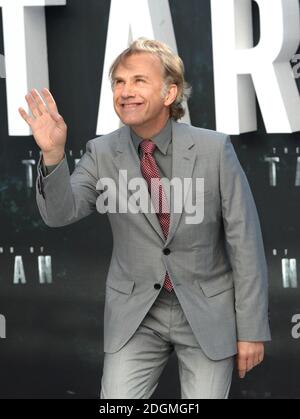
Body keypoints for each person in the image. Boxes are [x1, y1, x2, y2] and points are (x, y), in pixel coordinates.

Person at [18, 38, 271, 399]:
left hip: (206, 312)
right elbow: (60, 214)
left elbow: (244, 241)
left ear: (169, 93)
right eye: (119, 82)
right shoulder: (101, 151)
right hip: (134, 315)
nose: (125, 91)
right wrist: (54, 154)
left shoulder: (214, 149)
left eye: (138, 80)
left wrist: (251, 329)